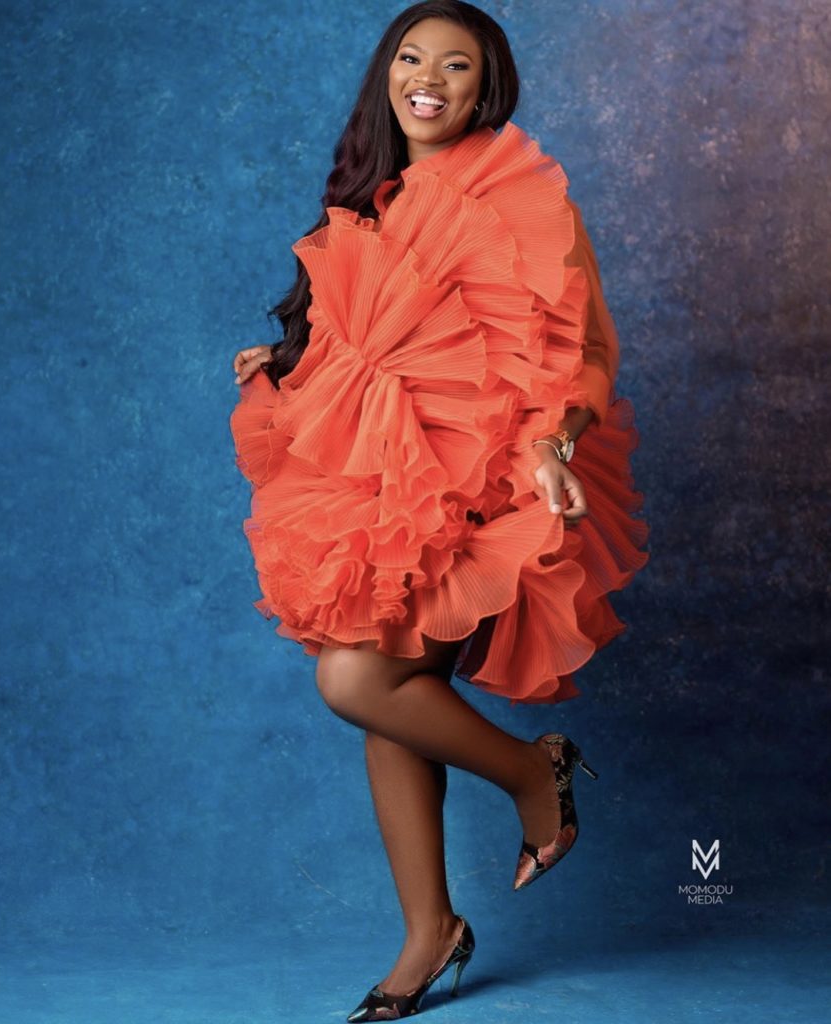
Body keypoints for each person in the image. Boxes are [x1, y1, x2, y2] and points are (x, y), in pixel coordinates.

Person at [229, 1, 649, 1019]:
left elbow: (592, 350)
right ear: (386, 75)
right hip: (391, 487)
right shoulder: (375, 193)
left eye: (456, 66)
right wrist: (290, 358)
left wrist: (554, 443)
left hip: (490, 485)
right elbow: (394, 335)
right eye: (411, 58)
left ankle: (535, 777)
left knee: (357, 678)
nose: (428, 79)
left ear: (486, 86)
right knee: (393, 689)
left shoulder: (519, 191)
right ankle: (431, 933)